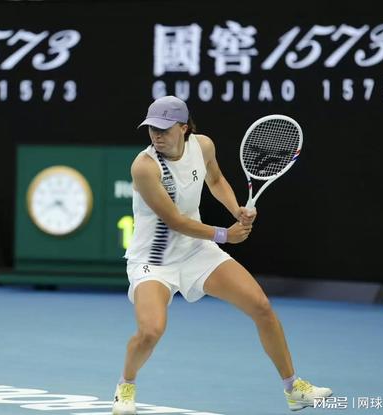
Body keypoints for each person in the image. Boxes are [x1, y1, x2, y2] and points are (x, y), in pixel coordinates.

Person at [112, 96, 332, 414]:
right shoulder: (144, 167)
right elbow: (175, 221)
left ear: (183, 128)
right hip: (154, 259)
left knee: (261, 307)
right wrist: (224, 235)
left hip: (195, 252)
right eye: (152, 129)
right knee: (150, 331)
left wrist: (236, 210)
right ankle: (126, 386)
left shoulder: (203, 146)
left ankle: (293, 388)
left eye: (164, 129)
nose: (156, 135)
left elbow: (215, 180)